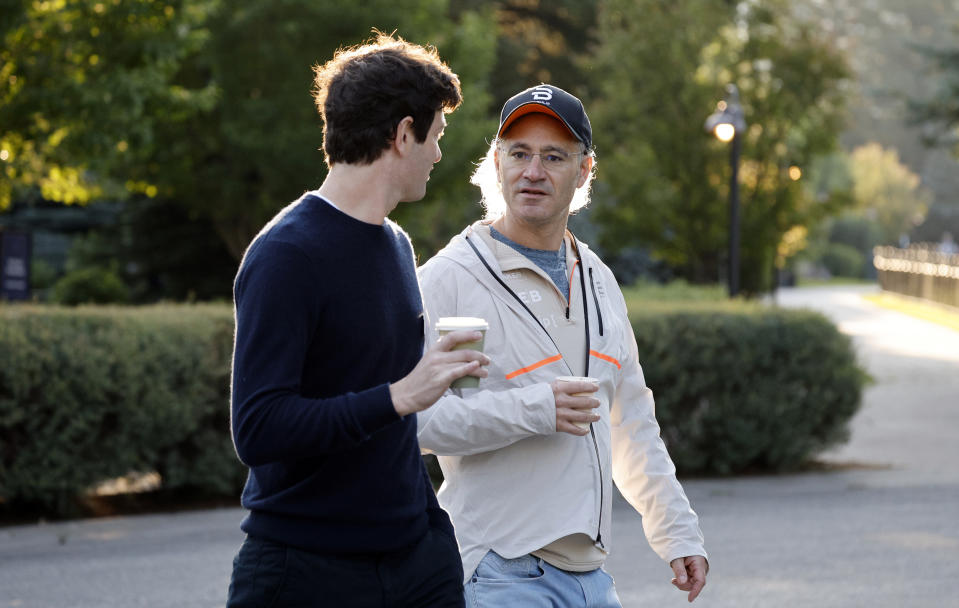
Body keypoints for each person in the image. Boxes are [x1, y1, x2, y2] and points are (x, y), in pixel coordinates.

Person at [417, 84, 709, 606]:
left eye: (553, 156)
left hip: (592, 580)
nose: (533, 171)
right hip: (498, 573)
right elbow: (417, 425)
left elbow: (632, 423)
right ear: (496, 161)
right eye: (519, 153)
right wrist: (534, 408)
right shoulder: (450, 279)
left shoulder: (598, 279)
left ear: (584, 171)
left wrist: (676, 532)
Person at [227, 33, 490, 608]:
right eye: (436, 137)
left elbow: (379, 398)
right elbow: (258, 429)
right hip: (306, 570)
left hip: (415, 560)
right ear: (402, 135)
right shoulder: (285, 254)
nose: (439, 155)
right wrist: (397, 396)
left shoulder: (395, 244)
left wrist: (432, 533)